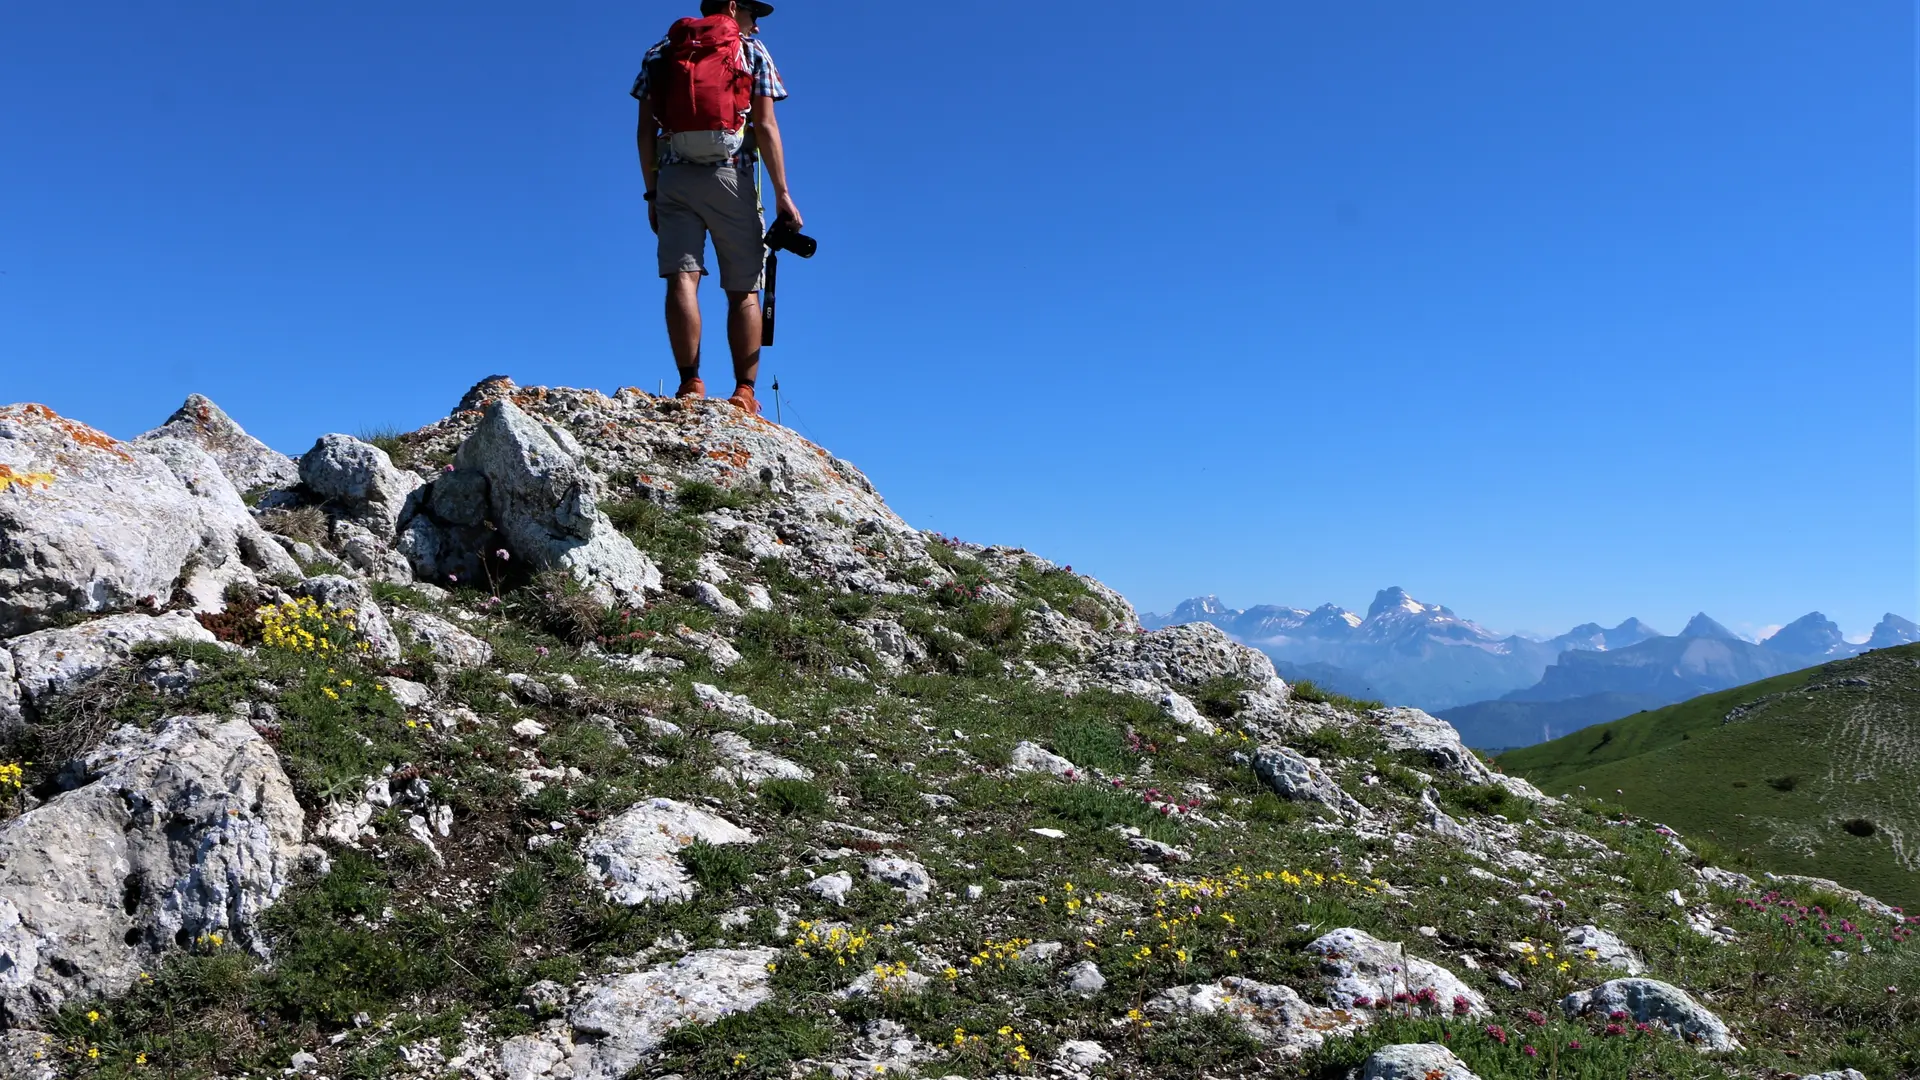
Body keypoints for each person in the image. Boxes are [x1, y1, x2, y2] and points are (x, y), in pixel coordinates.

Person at [631, 0, 802, 416]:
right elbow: (764, 126)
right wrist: (783, 193)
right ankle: (744, 392)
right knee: (743, 287)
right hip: (732, 176)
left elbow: (644, 132)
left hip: (673, 177)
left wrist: (652, 193)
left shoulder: (660, 51)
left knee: (682, 279)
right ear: (730, 6)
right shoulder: (751, 52)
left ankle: (690, 382)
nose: (757, 26)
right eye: (753, 14)